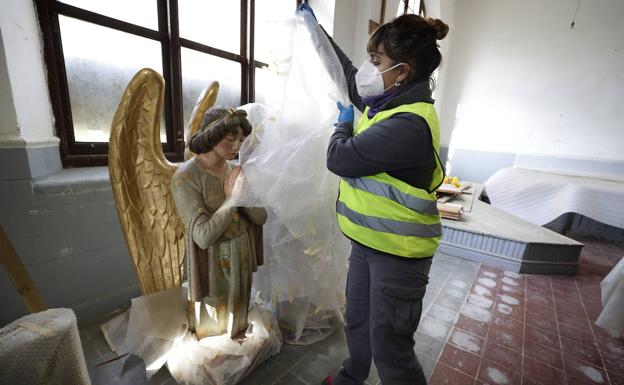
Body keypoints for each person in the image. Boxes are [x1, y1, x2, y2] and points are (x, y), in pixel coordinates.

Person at [300, 5, 448, 385]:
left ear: (402, 72)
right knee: (360, 322)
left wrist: (342, 125)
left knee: (390, 347)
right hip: (369, 244)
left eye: (376, 60)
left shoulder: (409, 124)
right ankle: (352, 377)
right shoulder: (386, 102)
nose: (368, 68)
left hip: (399, 257)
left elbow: (340, 157)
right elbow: (347, 75)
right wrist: (314, 28)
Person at [170, 107, 268, 340]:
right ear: (212, 135)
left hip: (242, 250)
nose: (237, 147)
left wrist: (242, 197)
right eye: (231, 139)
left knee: (239, 305)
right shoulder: (186, 176)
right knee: (215, 316)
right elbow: (202, 237)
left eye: (241, 140)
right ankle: (216, 348)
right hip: (215, 259)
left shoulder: (236, 171)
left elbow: (261, 217)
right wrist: (233, 199)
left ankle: (237, 339)